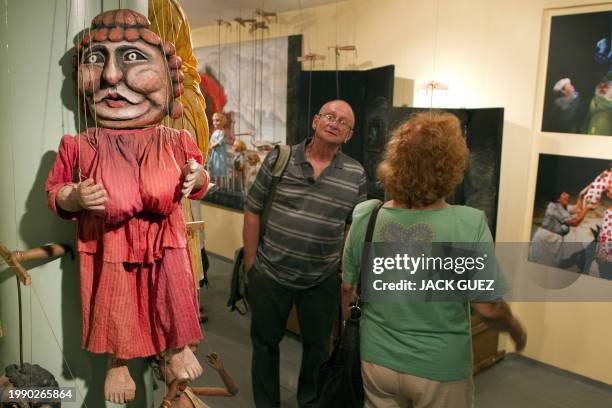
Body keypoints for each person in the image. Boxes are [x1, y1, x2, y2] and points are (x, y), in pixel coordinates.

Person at [45, 9, 208, 404]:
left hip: (164, 240)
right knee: (113, 293)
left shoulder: (174, 139)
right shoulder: (80, 146)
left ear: (169, 80)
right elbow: (56, 192)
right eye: (96, 60)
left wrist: (196, 176)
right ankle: (117, 362)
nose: (112, 77)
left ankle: (175, 344)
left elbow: (201, 178)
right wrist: (76, 196)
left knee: (172, 285)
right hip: (110, 244)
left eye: (133, 58)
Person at [342, 111, 526, 408]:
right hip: (440, 368)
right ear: (451, 165)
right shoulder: (467, 224)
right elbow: (489, 308)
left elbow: (347, 290)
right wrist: (515, 328)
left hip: (377, 360)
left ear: (395, 161)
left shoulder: (367, 215)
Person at [243, 100, 367, 407]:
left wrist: (344, 273)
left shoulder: (355, 174)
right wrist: (251, 266)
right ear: (315, 121)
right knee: (265, 345)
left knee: (317, 350)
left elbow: (354, 227)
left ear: (349, 135)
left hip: (321, 280)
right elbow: (253, 211)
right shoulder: (280, 159)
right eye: (329, 116)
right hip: (270, 273)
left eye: (343, 122)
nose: (334, 123)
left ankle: (310, 402)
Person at [529, 189, 594, 269]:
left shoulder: (564, 207)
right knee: (540, 266)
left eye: (567, 195)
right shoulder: (554, 207)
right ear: (558, 199)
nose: (567, 195)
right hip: (545, 240)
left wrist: (581, 195)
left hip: (554, 241)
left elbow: (577, 208)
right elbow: (574, 222)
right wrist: (586, 208)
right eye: (563, 194)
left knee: (550, 267)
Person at [154, 350, 238, 408]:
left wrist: (221, 370)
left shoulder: (188, 391)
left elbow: (232, 391)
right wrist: (168, 398)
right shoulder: (170, 404)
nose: (182, 385)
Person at [208, 112, 228, 184]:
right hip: (215, 152)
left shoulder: (222, 132)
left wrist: (213, 145)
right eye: (214, 120)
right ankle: (214, 182)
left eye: (217, 120)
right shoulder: (215, 132)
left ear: (222, 121)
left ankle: (220, 183)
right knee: (214, 165)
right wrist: (210, 144)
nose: (215, 122)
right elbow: (211, 140)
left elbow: (220, 141)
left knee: (220, 166)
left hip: (220, 153)